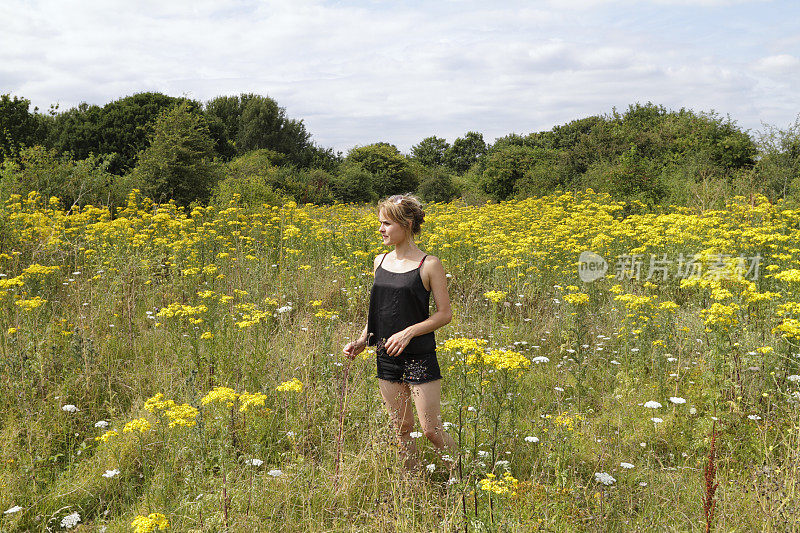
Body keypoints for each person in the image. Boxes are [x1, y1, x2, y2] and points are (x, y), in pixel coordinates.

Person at [342, 193, 458, 474]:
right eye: (380, 223)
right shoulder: (379, 261)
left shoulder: (429, 264)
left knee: (430, 429)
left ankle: (461, 476)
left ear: (406, 224)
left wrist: (409, 332)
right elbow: (378, 311)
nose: (380, 229)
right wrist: (362, 340)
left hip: (419, 356)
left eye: (386, 223)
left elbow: (445, 314)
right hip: (386, 356)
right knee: (402, 428)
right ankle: (412, 486)